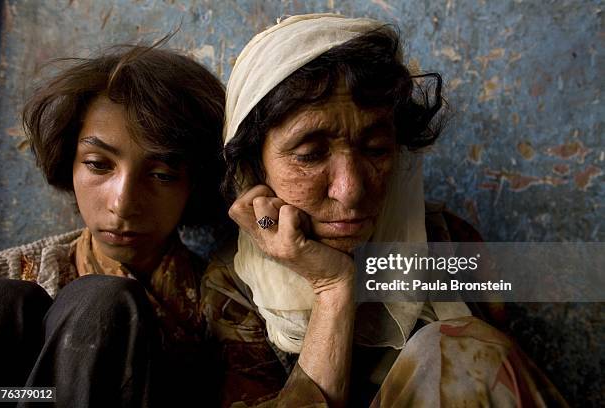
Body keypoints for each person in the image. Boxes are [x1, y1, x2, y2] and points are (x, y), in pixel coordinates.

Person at [201, 14, 567, 407]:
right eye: (310, 155)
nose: (351, 190)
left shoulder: (451, 248)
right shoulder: (232, 288)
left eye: (376, 149)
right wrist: (333, 288)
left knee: (456, 351)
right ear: (254, 167)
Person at [0, 42, 227, 406]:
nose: (123, 203)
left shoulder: (228, 305)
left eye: (162, 174)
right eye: (99, 164)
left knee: (104, 304)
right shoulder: (11, 273)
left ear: (194, 183)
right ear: (68, 162)